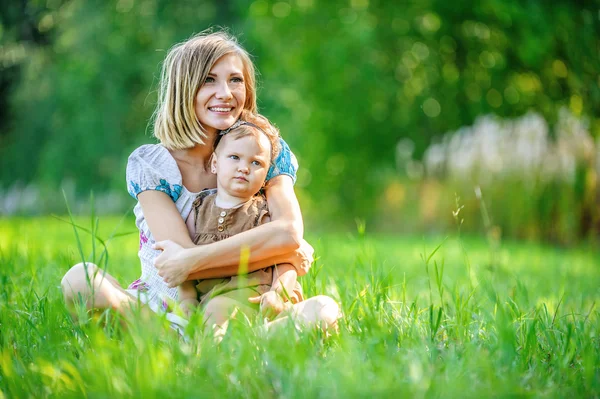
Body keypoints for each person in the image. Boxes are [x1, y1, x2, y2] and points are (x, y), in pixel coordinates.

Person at [60, 30, 340, 334]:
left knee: (325, 309)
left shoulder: (263, 151)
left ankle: (224, 348)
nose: (226, 92)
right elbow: (180, 268)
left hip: (240, 304)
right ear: (184, 89)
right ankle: (185, 346)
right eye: (209, 80)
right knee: (80, 279)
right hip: (167, 311)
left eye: (235, 80)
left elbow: (287, 232)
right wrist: (276, 251)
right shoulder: (152, 165)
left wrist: (282, 247)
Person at [179, 113, 304, 336]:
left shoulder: (262, 213)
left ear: (266, 174)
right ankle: (235, 349)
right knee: (214, 311)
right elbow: (185, 260)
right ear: (215, 163)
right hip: (214, 300)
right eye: (235, 157)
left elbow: (286, 261)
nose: (244, 167)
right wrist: (187, 298)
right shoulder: (198, 210)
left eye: (255, 162)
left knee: (324, 309)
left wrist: (278, 293)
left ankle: (231, 351)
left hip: (257, 296)